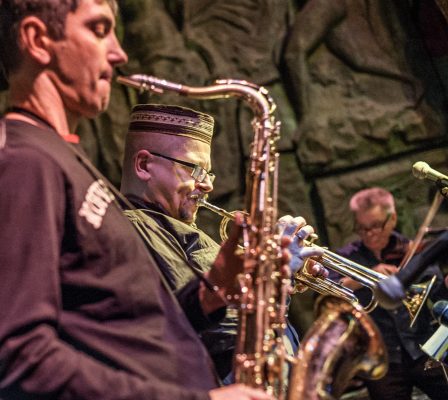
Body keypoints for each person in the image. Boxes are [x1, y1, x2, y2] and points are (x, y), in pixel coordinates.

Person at [0, 1, 296, 399]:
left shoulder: (63, 156)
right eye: (99, 30)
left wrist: (213, 289)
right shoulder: (24, 161)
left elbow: (126, 332)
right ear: (38, 40)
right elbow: (20, 359)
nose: (119, 53)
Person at [120, 103, 325, 382]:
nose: (208, 185)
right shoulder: (136, 226)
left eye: (209, 173)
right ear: (144, 165)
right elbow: (219, 329)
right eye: (195, 169)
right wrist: (274, 275)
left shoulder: (173, 229)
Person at [335, 187, 448, 400]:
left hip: (423, 349)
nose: (370, 234)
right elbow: (327, 292)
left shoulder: (413, 250)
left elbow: (437, 293)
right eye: (362, 228)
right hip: (382, 359)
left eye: (376, 225)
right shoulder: (347, 257)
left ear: (392, 219)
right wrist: (365, 277)